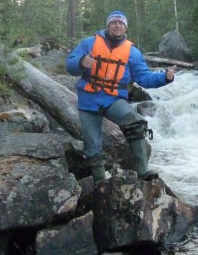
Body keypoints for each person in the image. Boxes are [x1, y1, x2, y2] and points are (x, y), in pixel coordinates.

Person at [66, 10, 175, 183]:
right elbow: (70, 64)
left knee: (134, 120)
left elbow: (143, 77)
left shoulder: (132, 52)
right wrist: (81, 62)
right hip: (88, 99)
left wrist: (164, 77)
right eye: (114, 22)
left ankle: (143, 172)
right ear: (108, 25)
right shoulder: (89, 43)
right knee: (92, 144)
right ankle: (100, 183)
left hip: (113, 99)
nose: (117, 25)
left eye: (121, 23)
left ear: (125, 28)